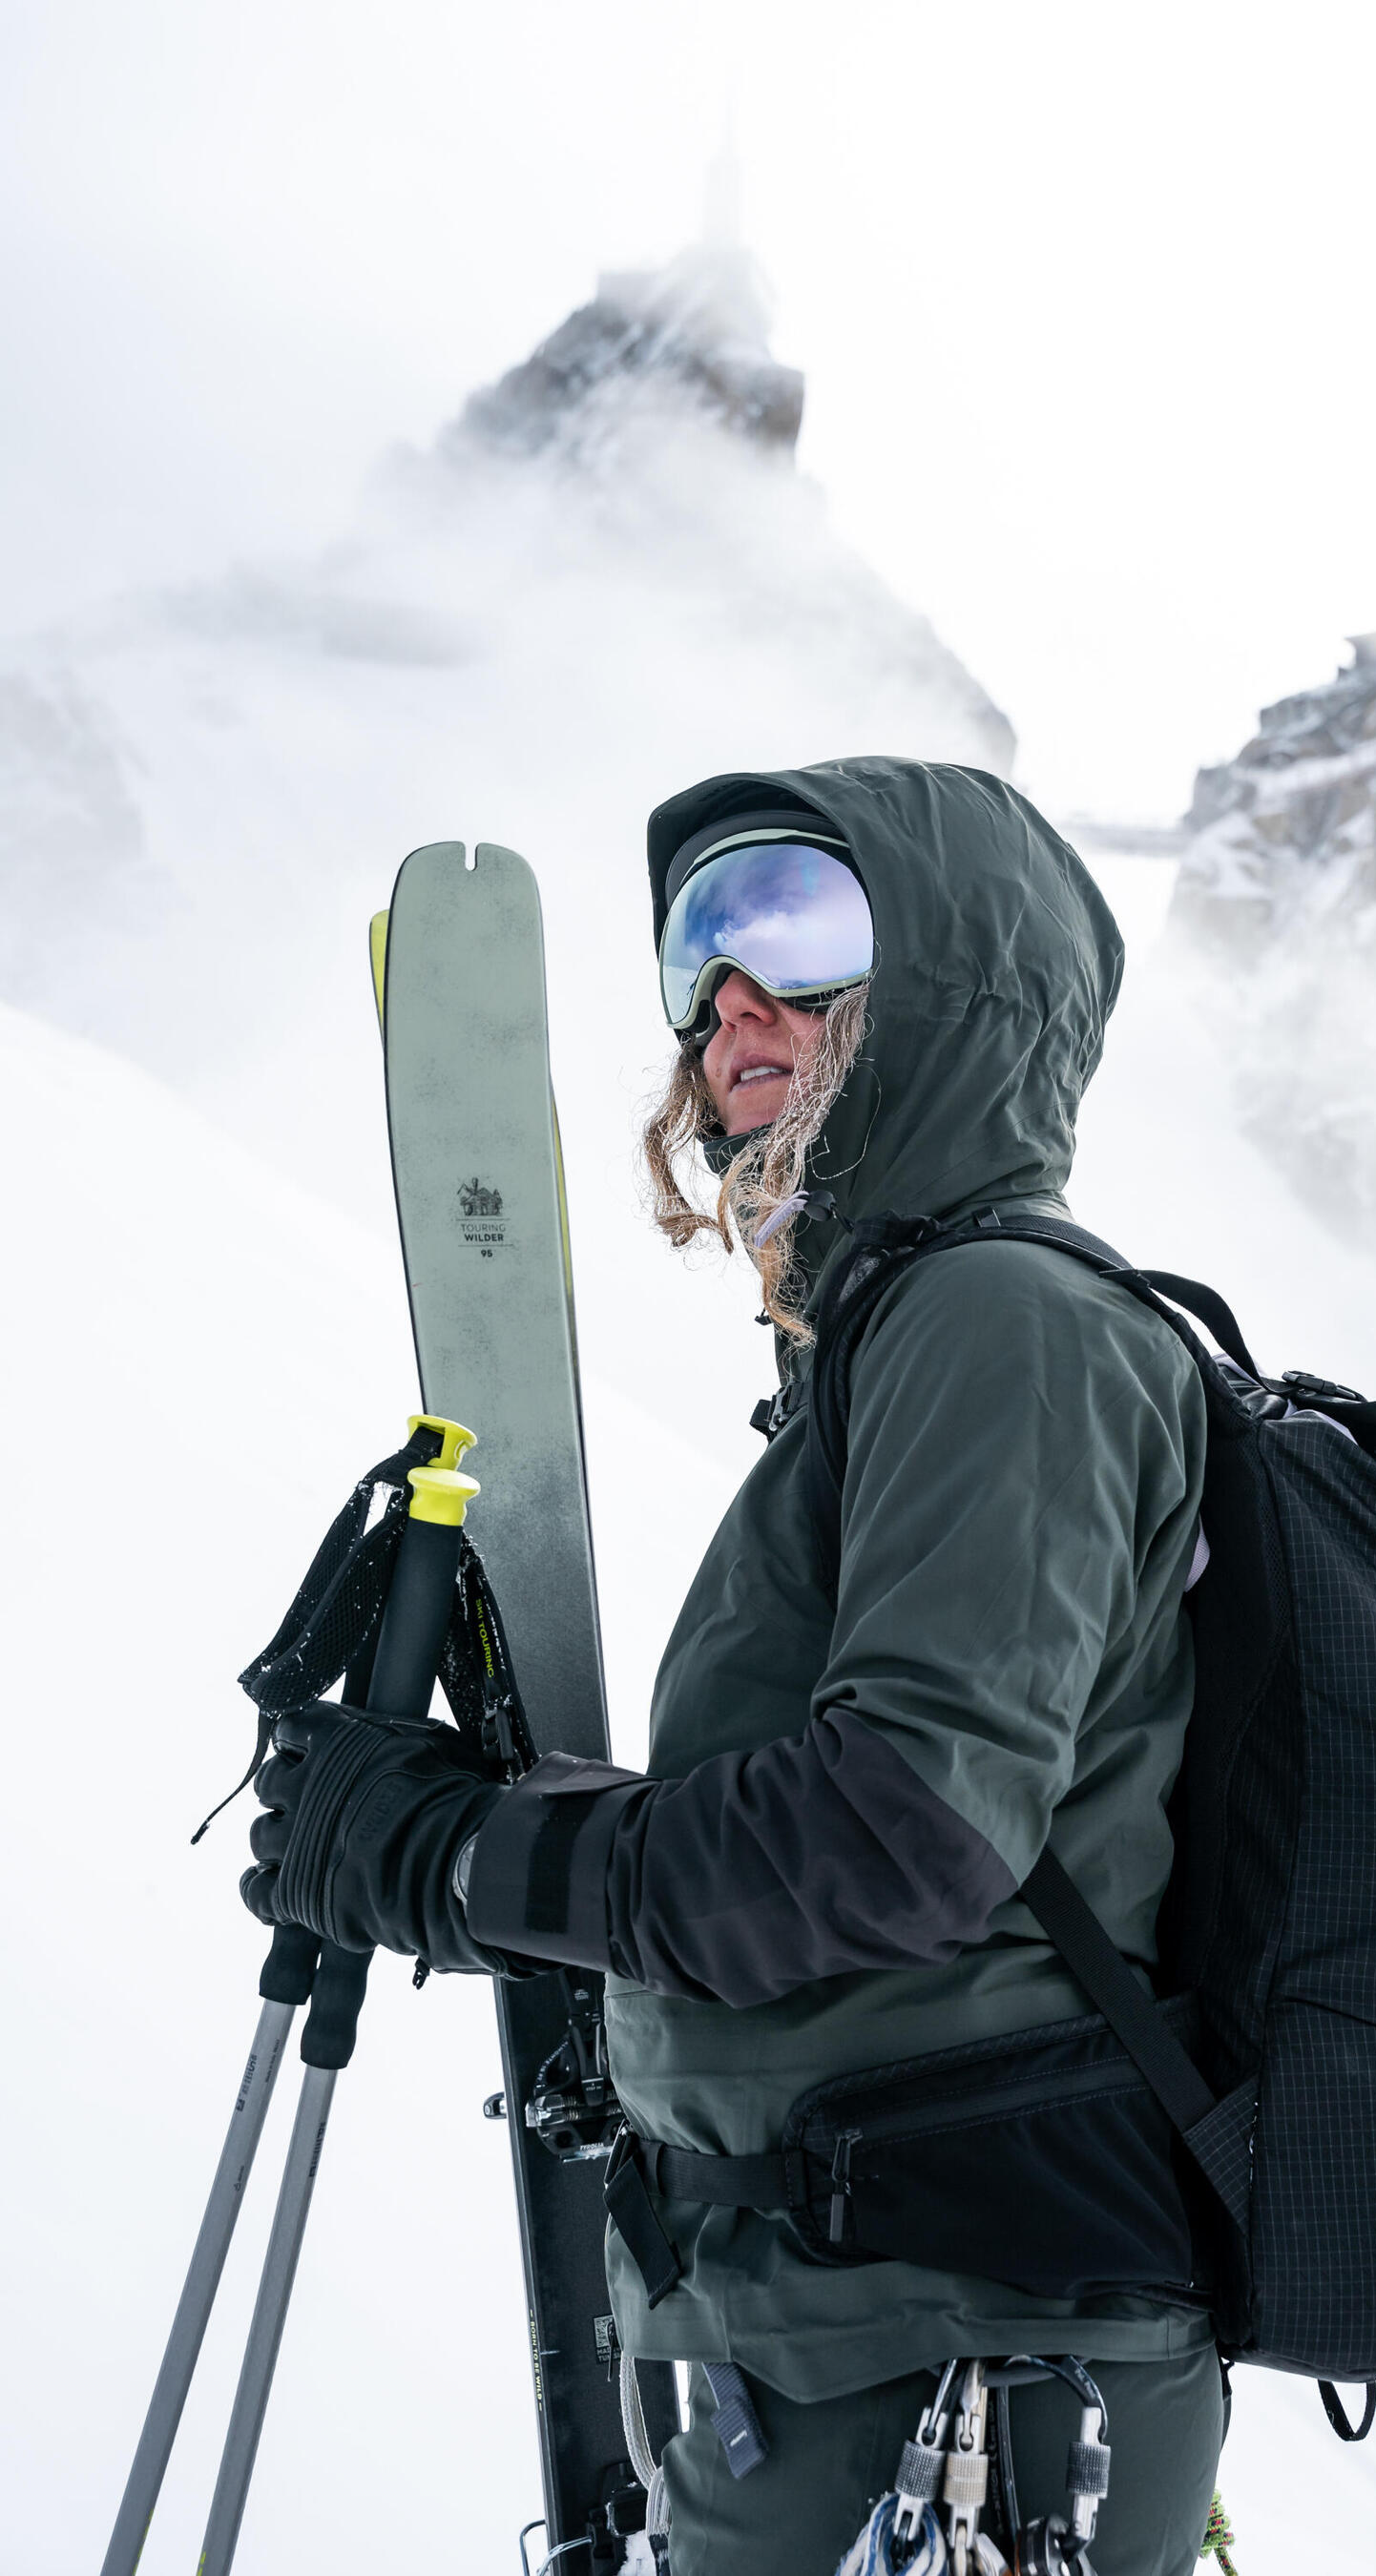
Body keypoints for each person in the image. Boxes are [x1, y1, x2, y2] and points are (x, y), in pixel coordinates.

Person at [244, 759, 1223, 2576]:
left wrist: (463, 1864)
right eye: (702, 951)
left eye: (799, 926)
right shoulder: (908, 1340)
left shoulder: (1006, 1324)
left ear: (957, 982)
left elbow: (896, 1842)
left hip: (954, 2370)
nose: (729, 999)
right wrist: (530, 1860)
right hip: (852, 2347)